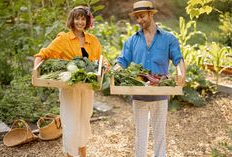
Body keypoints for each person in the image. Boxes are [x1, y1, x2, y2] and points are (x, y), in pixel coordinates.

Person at [113, 1, 186, 157]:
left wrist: (181, 72)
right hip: (139, 95)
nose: (140, 20)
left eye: (142, 16)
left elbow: (178, 59)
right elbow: (122, 61)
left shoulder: (168, 38)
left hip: (160, 94)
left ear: (151, 14)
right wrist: (114, 70)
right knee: (141, 136)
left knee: (160, 136)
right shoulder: (132, 40)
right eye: (137, 17)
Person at [33, 6, 105, 157]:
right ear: (72, 20)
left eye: (83, 18)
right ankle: (70, 154)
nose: (80, 22)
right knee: (71, 122)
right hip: (69, 86)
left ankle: (83, 153)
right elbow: (43, 54)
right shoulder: (63, 39)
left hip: (87, 87)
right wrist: (35, 70)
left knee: (84, 119)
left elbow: (102, 60)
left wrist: (105, 67)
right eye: (77, 18)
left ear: (87, 21)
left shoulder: (93, 40)